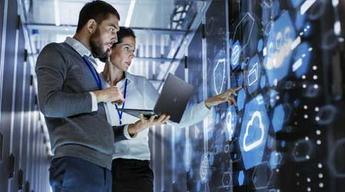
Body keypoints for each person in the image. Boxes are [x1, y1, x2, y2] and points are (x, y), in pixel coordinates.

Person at [101, 27, 238, 192]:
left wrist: (209, 102)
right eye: (127, 48)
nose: (132, 55)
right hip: (101, 167)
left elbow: (180, 119)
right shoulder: (93, 86)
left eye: (134, 51)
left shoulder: (141, 85)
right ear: (110, 48)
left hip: (135, 169)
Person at [35, 1, 144, 192]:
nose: (114, 38)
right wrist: (101, 95)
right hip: (76, 164)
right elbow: (49, 104)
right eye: (111, 30)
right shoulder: (56, 52)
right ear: (91, 26)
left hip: (101, 168)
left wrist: (131, 129)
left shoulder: (90, 67)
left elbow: (93, 126)